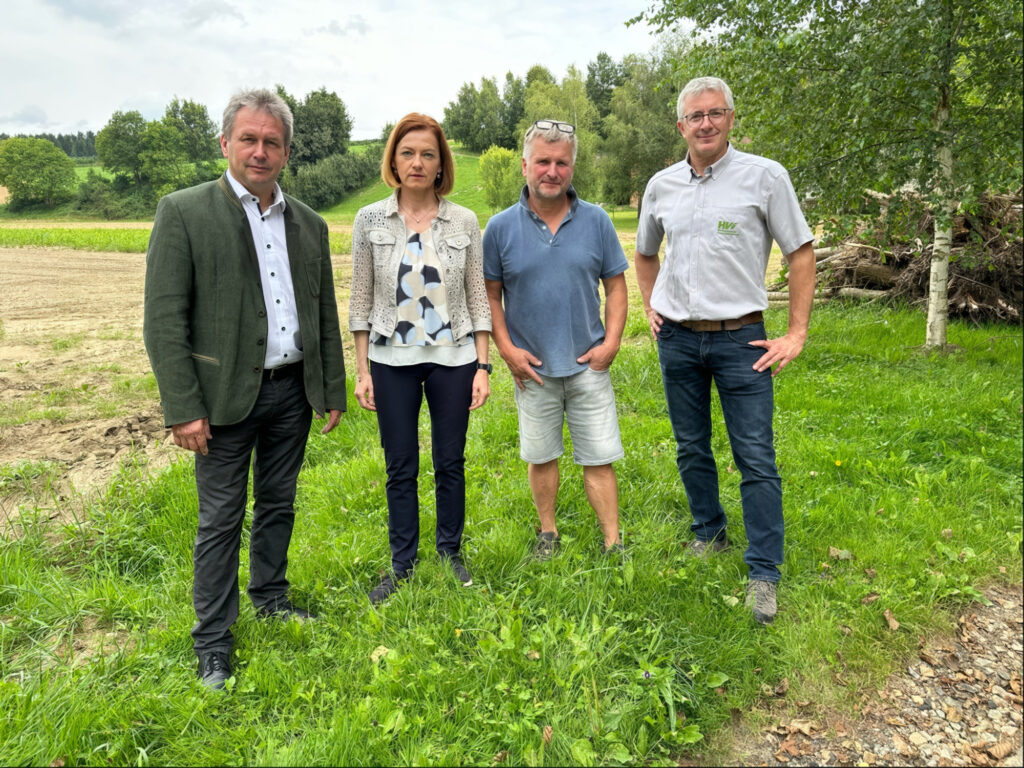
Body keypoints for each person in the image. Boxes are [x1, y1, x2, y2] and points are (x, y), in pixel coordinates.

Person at [143, 88, 347, 689]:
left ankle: (271, 596)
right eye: (249, 139)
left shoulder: (307, 223)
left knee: (279, 504)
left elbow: (323, 311)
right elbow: (163, 319)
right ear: (226, 142)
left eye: (272, 142)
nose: (260, 151)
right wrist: (183, 407)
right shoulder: (183, 212)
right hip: (223, 399)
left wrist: (329, 388)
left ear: (287, 151)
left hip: (291, 393)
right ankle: (212, 641)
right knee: (221, 519)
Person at [634, 77, 815, 624]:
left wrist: (796, 332)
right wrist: (650, 305)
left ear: (731, 118)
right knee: (691, 446)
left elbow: (801, 254)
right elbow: (645, 254)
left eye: (716, 113)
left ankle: (764, 572)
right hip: (680, 340)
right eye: (696, 115)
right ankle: (708, 533)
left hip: (743, 339)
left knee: (755, 456)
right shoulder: (661, 185)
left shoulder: (764, 177)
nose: (706, 123)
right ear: (681, 125)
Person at [349, 113, 492, 605]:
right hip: (391, 360)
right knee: (400, 465)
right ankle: (402, 563)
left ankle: (450, 552)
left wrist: (483, 365)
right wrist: (362, 369)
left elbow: (477, 297)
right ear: (393, 159)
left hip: (454, 359)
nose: (417, 162)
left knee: (451, 462)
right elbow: (361, 299)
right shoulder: (369, 220)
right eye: (407, 152)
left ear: (440, 164)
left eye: (427, 154)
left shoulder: (465, 222)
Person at [484, 119, 629, 560]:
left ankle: (613, 542)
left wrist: (612, 344)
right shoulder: (500, 228)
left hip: (589, 365)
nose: (552, 171)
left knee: (598, 458)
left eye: (561, 162)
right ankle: (547, 533)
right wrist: (507, 351)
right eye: (543, 161)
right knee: (541, 456)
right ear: (525, 166)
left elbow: (617, 287)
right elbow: (490, 295)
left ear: (572, 168)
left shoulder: (598, 221)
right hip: (534, 370)